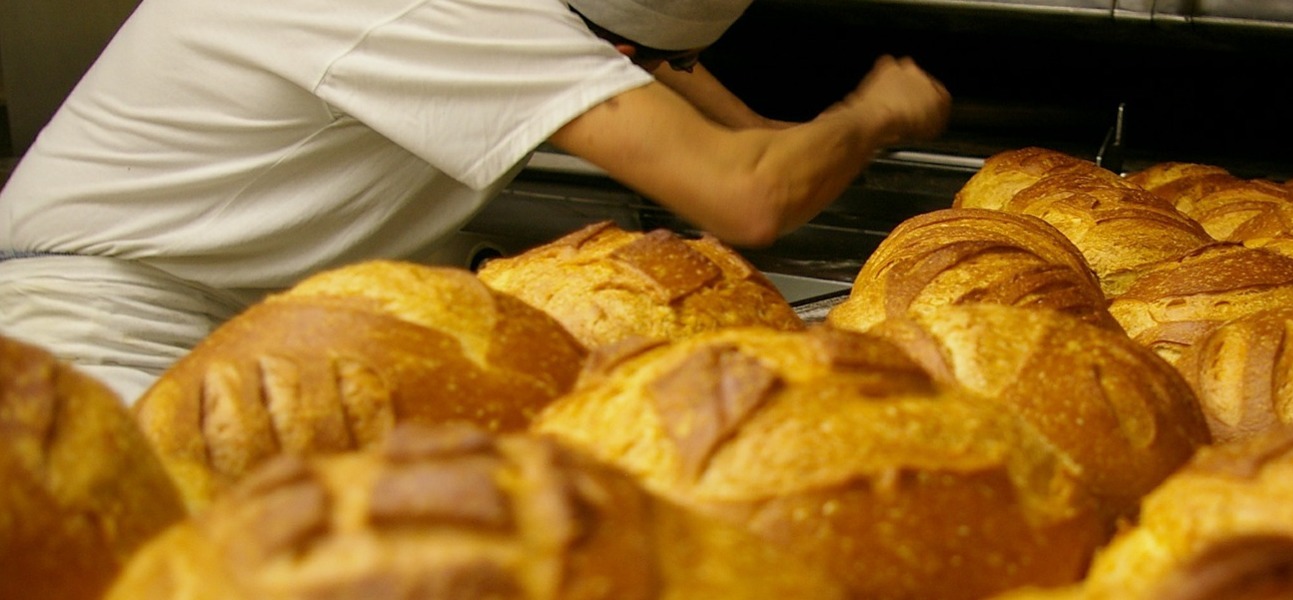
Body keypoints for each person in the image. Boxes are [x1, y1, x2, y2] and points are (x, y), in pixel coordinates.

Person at [0, 0, 951, 403]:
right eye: (625, 60)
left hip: (262, 333)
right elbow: (744, 196)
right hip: (94, 324)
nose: (646, 78)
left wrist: (836, 134)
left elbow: (741, 138)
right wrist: (872, 114)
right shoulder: (447, 9)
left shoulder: (544, 18)